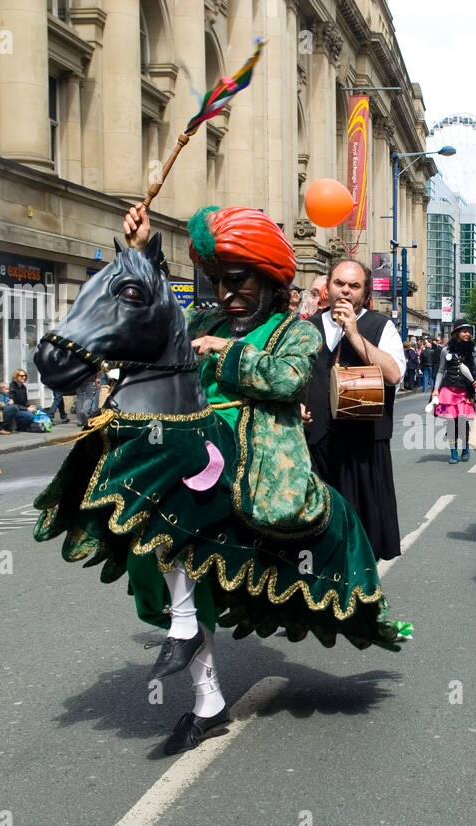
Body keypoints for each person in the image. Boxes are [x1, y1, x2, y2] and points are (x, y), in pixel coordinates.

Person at [100, 202, 409, 754]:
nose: (226, 293)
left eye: (238, 281)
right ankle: (206, 698)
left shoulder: (296, 331)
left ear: (268, 281)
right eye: (219, 281)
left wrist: (226, 355)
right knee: (165, 540)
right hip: (193, 461)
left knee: (178, 526)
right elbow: (161, 320)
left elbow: (287, 380)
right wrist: (144, 250)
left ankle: (187, 624)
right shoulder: (201, 321)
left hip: (259, 465)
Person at [304, 258, 404, 561]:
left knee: (364, 536)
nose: (345, 291)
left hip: (363, 448)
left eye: (354, 285)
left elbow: (394, 374)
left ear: (365, 292)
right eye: (339, 284)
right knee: (320, 531)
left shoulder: (380, 326)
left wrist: (353, 333)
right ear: (328, 288)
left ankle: (362, 596)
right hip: (316, 445)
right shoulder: (306, 328)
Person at [431, 322, 476, 463]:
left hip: (465, 392)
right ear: (456, 333)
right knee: (451, 422)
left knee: (463, 421)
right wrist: (435, 389)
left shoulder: (472, 350)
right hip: (447, 392)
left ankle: (465, 448)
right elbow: (440, 371)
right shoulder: (446, 350)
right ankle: (453, 453)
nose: (467, 334)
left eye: (469, 331)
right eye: (464, 331)